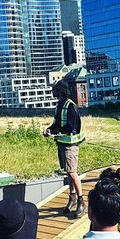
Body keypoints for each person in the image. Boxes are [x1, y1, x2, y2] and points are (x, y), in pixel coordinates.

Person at [43, 81, 84, 218]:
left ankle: (81, 201)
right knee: (68, 171)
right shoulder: (59, 105)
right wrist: (50, 129)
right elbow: (57, 123)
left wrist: (54, 132)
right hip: (61, 144)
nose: (52, 91)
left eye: (54, 89)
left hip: (70, 145)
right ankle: (72, 197)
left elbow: (71, 127)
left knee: (72, 172)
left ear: (60, 90)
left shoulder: (70, 106)